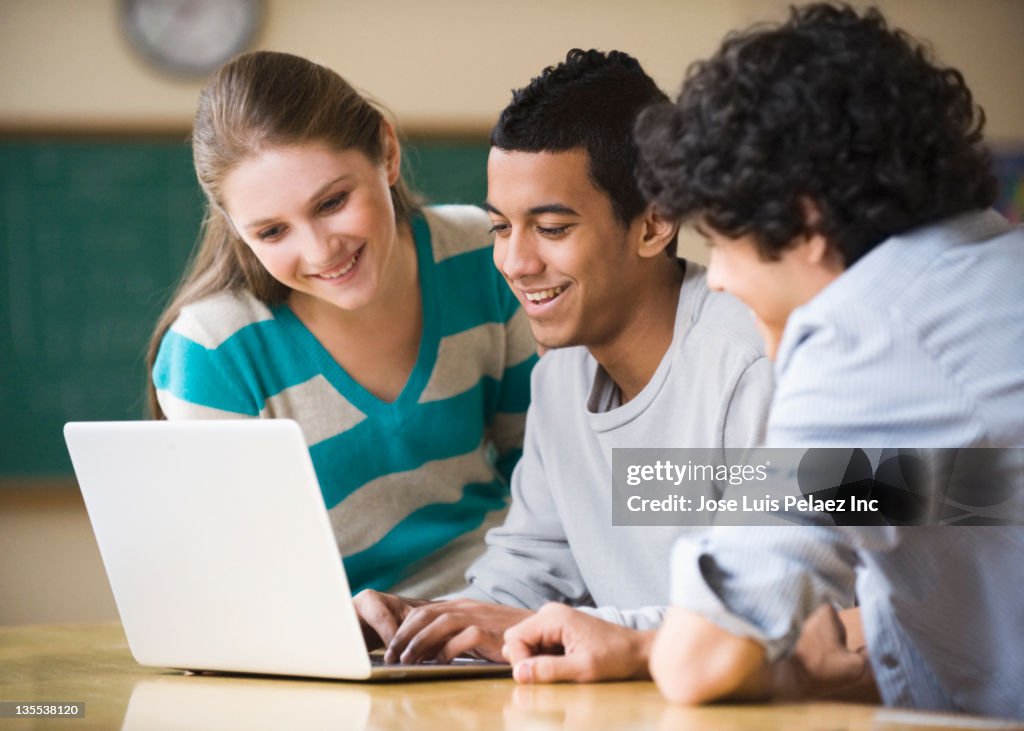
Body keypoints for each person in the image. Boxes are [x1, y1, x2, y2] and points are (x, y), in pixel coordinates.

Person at [502, 4, 1024, 719]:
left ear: (806, 224)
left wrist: (662, 642)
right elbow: (958, 519)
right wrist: (646, 639)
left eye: (724, 242)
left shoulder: (863, 333)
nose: (716, 277)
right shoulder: (981, 282)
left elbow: (703, 661)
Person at [354, 49, 774, 667]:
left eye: (551, 228)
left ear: (655, 224)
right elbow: (525, 579)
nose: (516, 263)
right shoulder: (559, 378)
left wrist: (566, 630)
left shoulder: (751, 361)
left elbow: (782, 606)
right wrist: (424, 625)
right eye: (500, 228)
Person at [146, 51, 537, 599]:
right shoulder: (213, 351)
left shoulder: (480, 253)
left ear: (387, 151)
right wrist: (337, 622)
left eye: (332, 201)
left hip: (501, 603)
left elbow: (546, 469)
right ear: (236, 227)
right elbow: (231, 582)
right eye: (272, 232)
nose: (320, 250)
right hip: (328, 645)